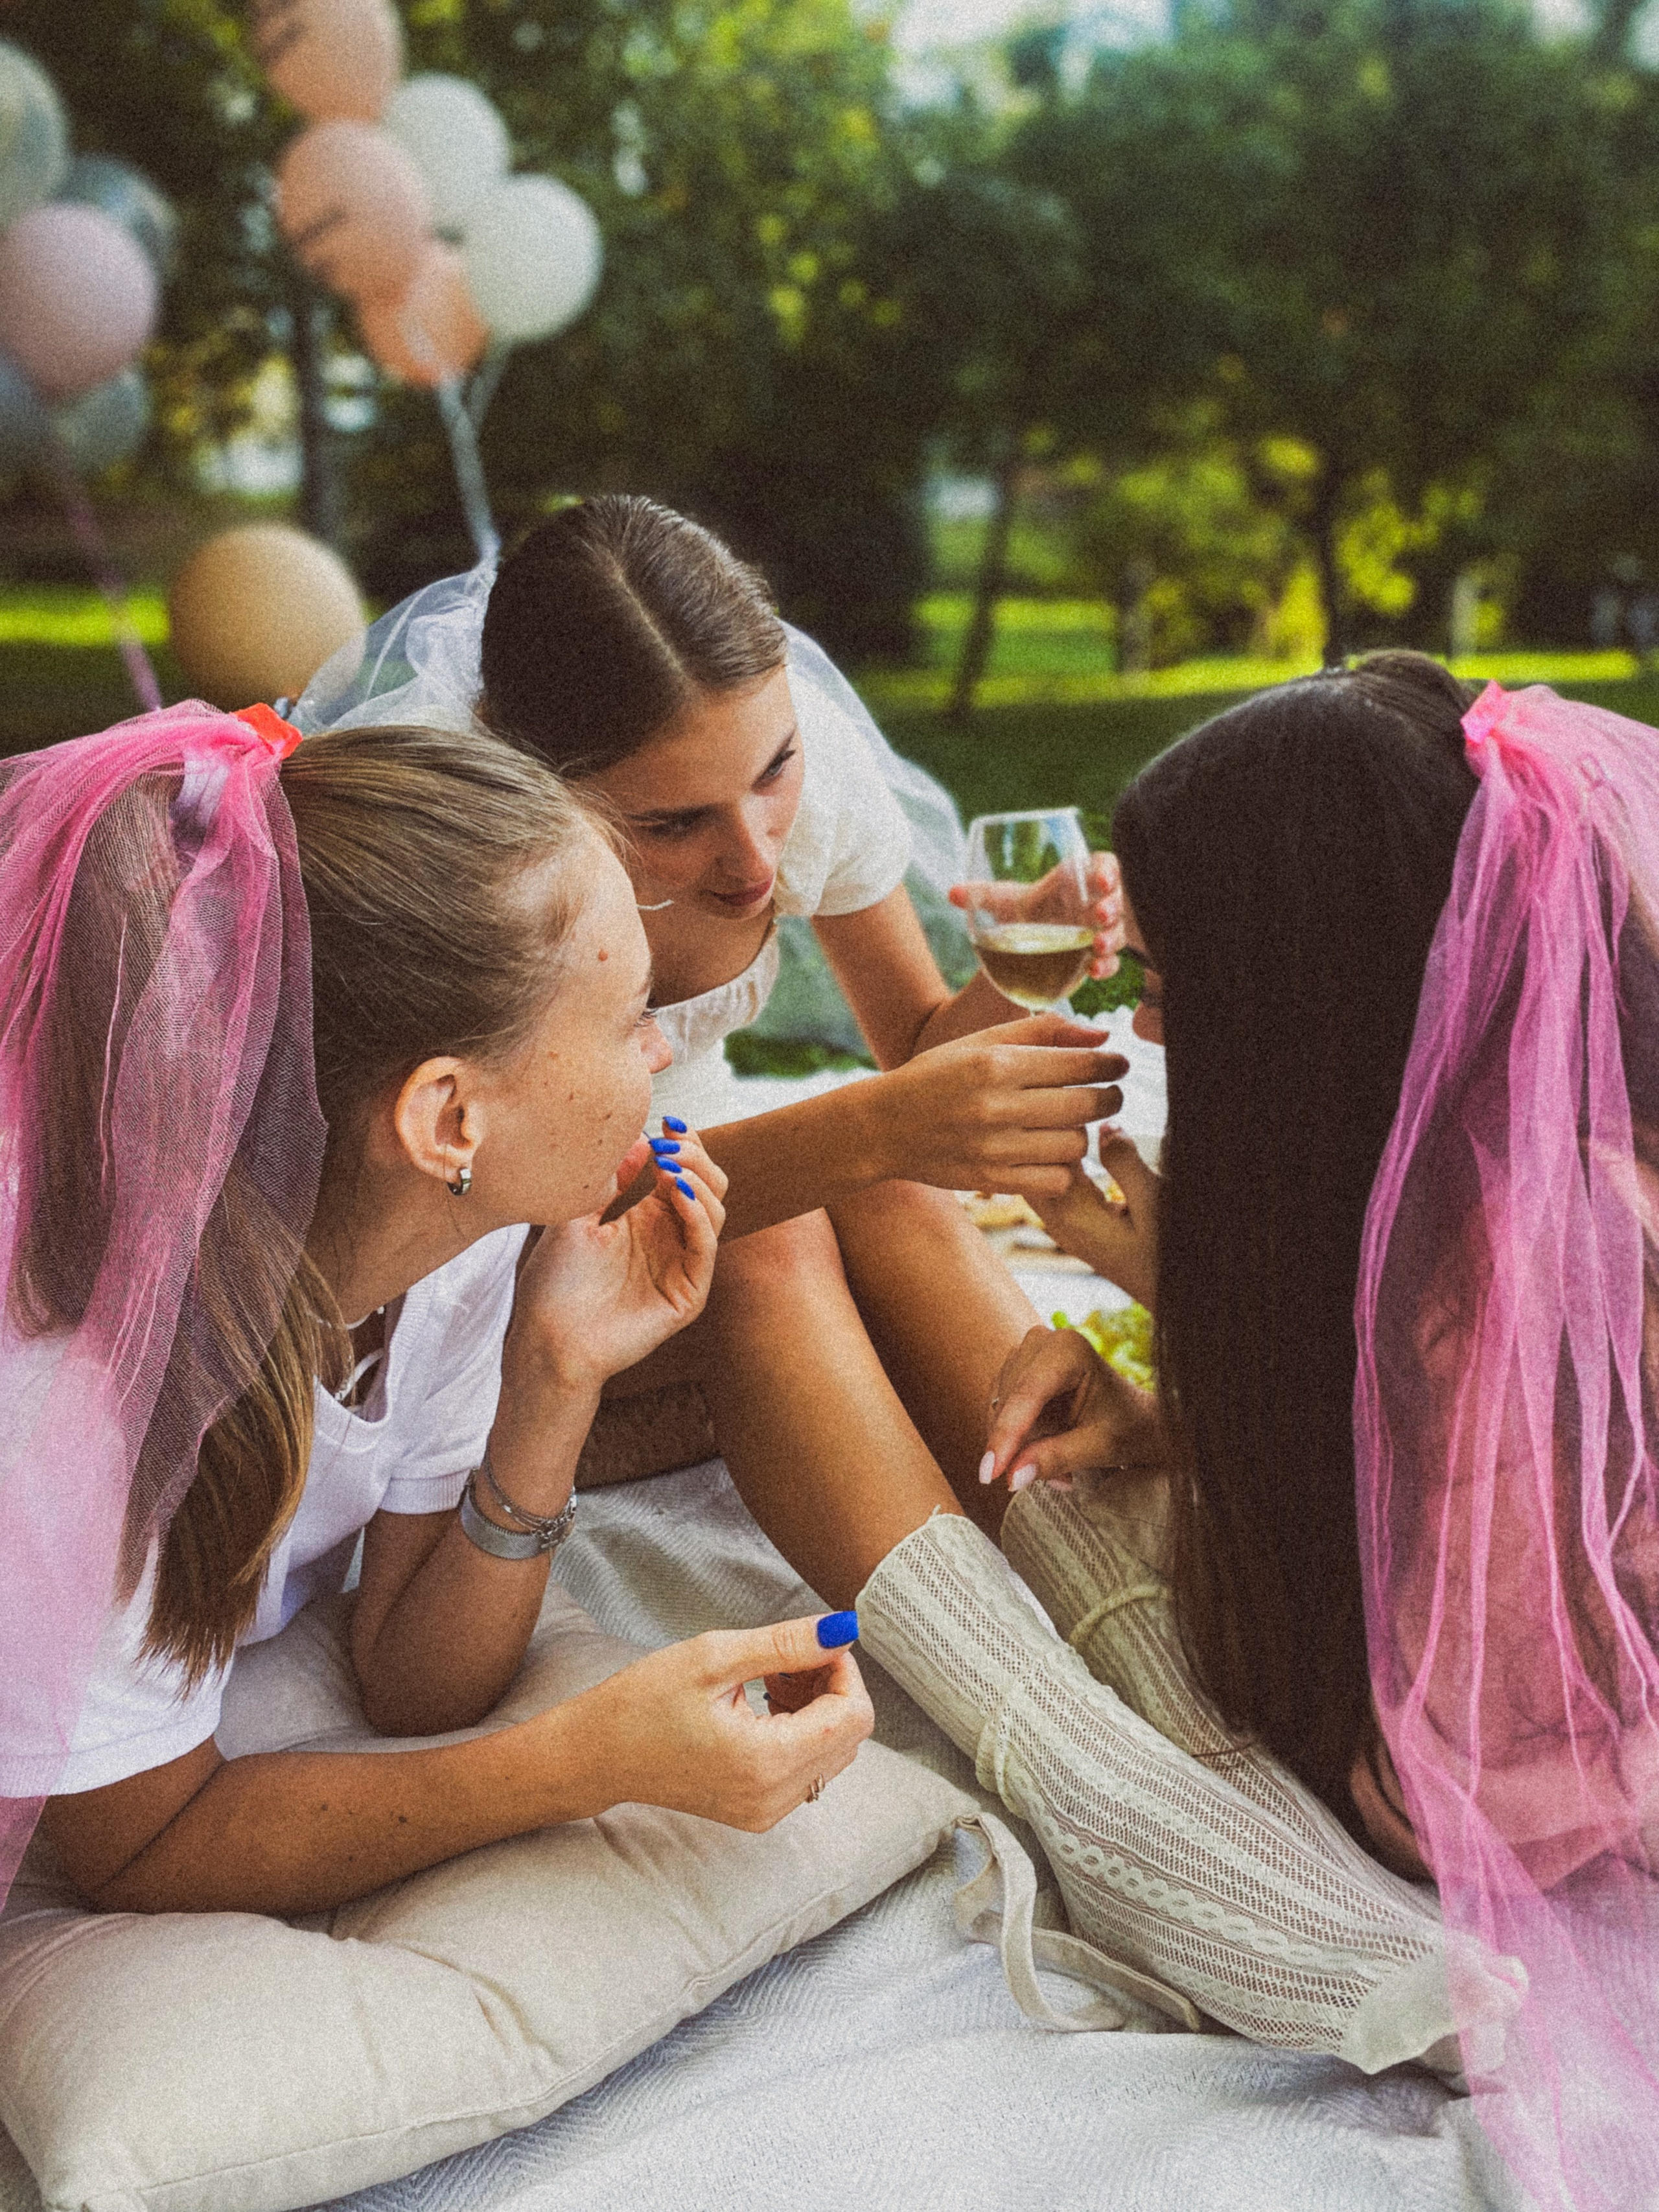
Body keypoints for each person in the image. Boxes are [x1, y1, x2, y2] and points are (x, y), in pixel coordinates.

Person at [951, 655, 1659, 2204]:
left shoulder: (1499, 1275)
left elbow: (1467, 1746)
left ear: (1299, 1008)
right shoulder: (1509, 1175)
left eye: (1168, 977)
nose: (1141, 1016)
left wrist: (1191, 1314)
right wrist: (1175, 1395)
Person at [0, 703, 872, 1920]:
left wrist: (555, 1378)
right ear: (449, 1118)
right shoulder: (78, 1395)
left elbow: (415, 1682)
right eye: (630, 1019)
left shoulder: (460, 1235)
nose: (661, 1056)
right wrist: (589, 1759)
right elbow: (142, 1847)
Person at [300, 497, 1129, 1606]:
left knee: (886, 1195)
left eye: (774, 770)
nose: (753, 858)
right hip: (483, 1288)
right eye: (674, 823)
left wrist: (1020, 972)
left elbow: (919, 1046)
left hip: (680, 1214)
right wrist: (874, 1129)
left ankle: (1130, 1599)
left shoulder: (774, 762)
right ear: (527, 774)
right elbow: (476, 1211)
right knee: (778, 1231)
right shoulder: (455, 853)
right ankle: (1014, 1670)